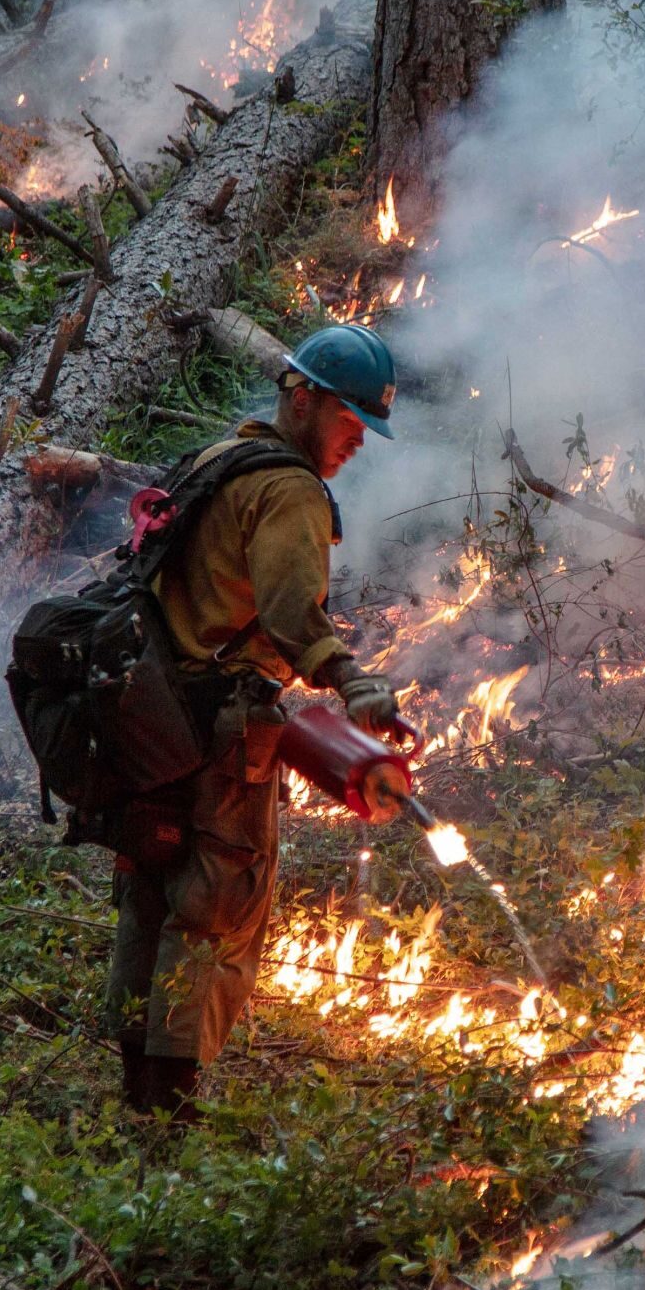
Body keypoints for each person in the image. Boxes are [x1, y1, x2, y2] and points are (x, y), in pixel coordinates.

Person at [108, 324, 408, 1120]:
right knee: (215, 912)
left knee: (150, 889)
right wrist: (353, 682)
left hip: (150, 713)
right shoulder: (291, 490)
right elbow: (287, 615)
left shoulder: (218, 457)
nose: (357, 442)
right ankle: (170, 1118)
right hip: (218, 731)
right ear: (302, 397)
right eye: (350, 423)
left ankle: (133, 1094)